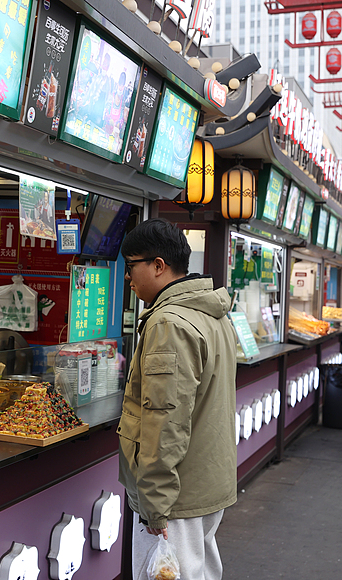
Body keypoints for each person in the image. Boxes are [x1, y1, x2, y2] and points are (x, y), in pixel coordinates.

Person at [116, 219, 237, 580]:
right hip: (206, 482)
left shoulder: (169, 323)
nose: (128, 277)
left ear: (158, 265)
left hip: (176, 495)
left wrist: (154, 501)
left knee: (167, 572)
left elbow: (164, 419)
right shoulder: (212, 314)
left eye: (131, 265)